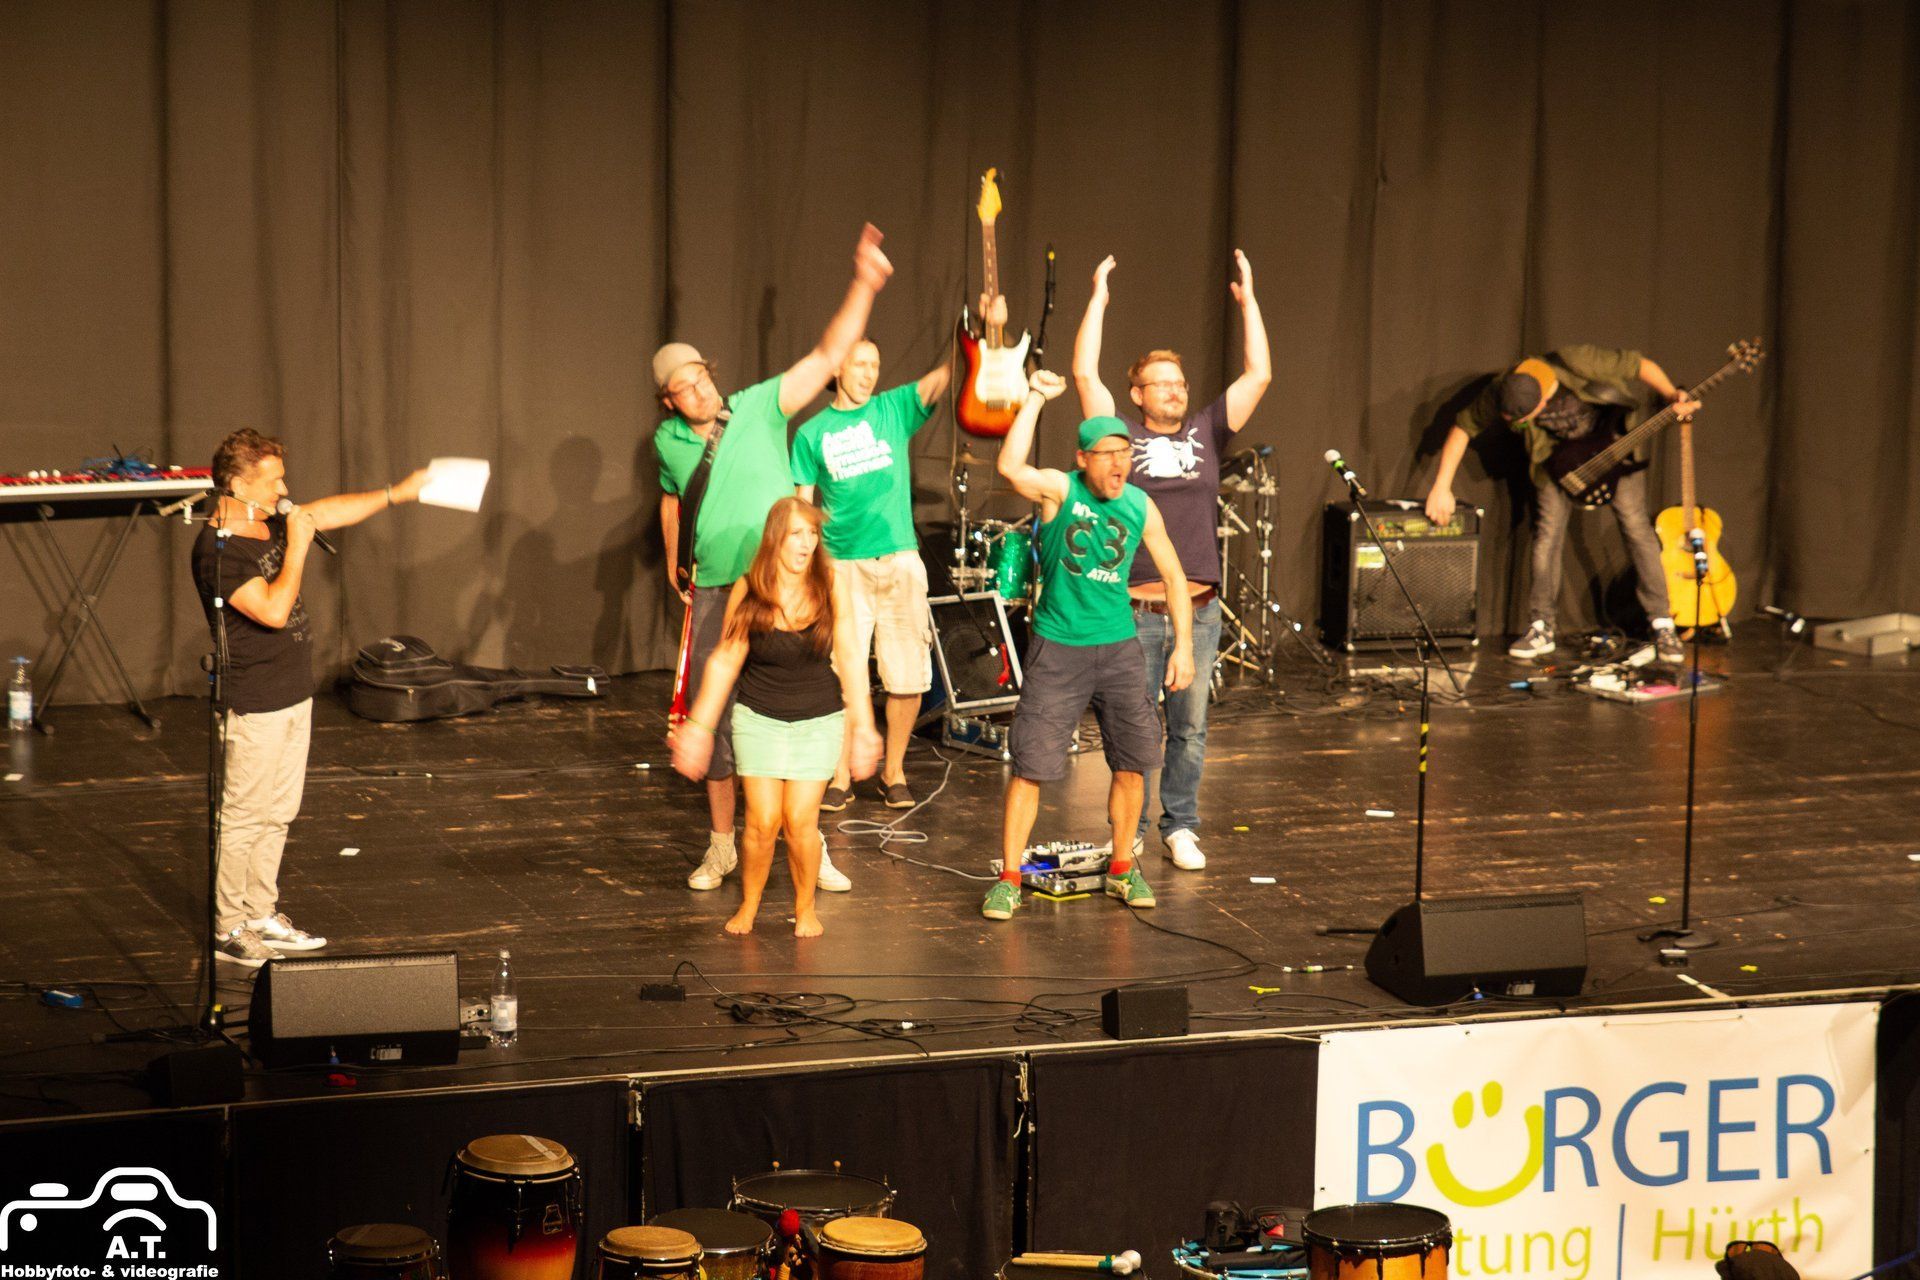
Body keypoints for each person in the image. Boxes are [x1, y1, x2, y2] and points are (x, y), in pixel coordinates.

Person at [656, 223, 892, 895]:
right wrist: (676, 563)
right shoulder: (667, 441)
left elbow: (827, 355)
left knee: (807, 705)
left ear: (712, 376)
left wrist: (864, 284)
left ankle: (811, 842)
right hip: (715, 588)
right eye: (682, 388)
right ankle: (723, 844)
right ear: (669, 400)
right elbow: (672, 499)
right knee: (715, 717)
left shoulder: (759, 406)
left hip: (785, 583)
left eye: (701, 378)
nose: (697, 392)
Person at [191, 427, 428, 967]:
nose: (284, 488)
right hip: (254, 701)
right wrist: (297, 546)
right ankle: (228, 928)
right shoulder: (218, 552)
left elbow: (327, 511)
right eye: (273, 480)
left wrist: (397, 493)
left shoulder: (268, 518)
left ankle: (259, 913)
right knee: (244, 817)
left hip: (293, 693)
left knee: (278, 812)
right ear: (237, 485)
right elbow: (274, 611)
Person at [1072, 249, 1270, 872]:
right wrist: (1099, 298)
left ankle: (1180, 824)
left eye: (1180, 383)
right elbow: (1083, 373)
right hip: (1132, 610)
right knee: (1132, 727)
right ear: (1138, 394)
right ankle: (1128, 828)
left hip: (1199, 611)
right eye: (1163, 383)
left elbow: (1259, 374)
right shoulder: (1120, 437)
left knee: (1189, 727)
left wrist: (1249, 303)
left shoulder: (1207, 431)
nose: (1176, 390)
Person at [981, 371, 1195, 922]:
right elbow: (1010, 467)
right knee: (1031, 765)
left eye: (1126, 454)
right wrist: (1035, 397)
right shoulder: (1061, 490)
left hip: (1119, 648)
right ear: (1083, 459)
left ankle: (1122, 868)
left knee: (1133, 763)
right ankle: (1009, 879)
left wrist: (1184, 648)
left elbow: (1174, 576)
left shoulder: (1140, 505)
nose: (1120, 464)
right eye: (1108, 455)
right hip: (1059, 649)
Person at [671, 499, 882, 937]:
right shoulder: (751, 587)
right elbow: (725, 660)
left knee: (800, 821)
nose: (806, 544)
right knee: (762, 821)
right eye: (796, 534)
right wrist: (700, 727)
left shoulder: (829, 584)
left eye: (812, 534)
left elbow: (850, 658)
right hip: (759, 717)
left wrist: (864, 727)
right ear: (775, 539)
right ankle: (749, 905)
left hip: (818, 719)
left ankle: (805, 909)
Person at [1424, 347, 1698, 663]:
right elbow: (1463, 427)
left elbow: (1639, 365)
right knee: (1547, 535)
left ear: (1542, 401)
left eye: (1525, 421)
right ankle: (1541, 627)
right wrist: (1441, 486)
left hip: (1611, 448)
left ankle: (1662, 623)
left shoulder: (1578, 363)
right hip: (1555, 461)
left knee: (1637, 528)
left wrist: (1670, 394)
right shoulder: (1501, 389)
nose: (1517, 426)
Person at [791, 337, 949, 812]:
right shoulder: (812, 433)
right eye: (859, 364)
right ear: (837, 369)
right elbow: (803, 506)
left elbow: (945, 376)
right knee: (845, 675)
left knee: (908, 674)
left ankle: (893, 772)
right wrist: (804, 571)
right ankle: (840, 774)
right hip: (842, 566)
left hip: (899, 560)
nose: (869, 373)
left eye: (875, 364)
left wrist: (979, 330)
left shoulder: (892, 409)